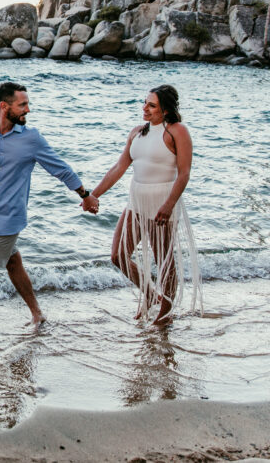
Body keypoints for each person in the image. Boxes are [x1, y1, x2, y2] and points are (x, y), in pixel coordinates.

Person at [0, 81, 93, 336]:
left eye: (27, 104)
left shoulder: (32, 139)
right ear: (4, 106)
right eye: (22, 105)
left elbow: (60, 168)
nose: (28, 110)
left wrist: (85, 195)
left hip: (11, 217)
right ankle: (37, 313)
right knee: (12, 262)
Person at [82, 84, 202, 325]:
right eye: (145, 102)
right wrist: (92, 195)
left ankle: (164, 314)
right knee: (118, 255)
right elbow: (119, 168)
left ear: (165, 110)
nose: (144, 108)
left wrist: (169, 205)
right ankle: (149, 293)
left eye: (151, 105)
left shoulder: (177, 131)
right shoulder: (137, 132)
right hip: (136, 202)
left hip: (162, 202)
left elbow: (184, 174)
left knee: (164, 261)